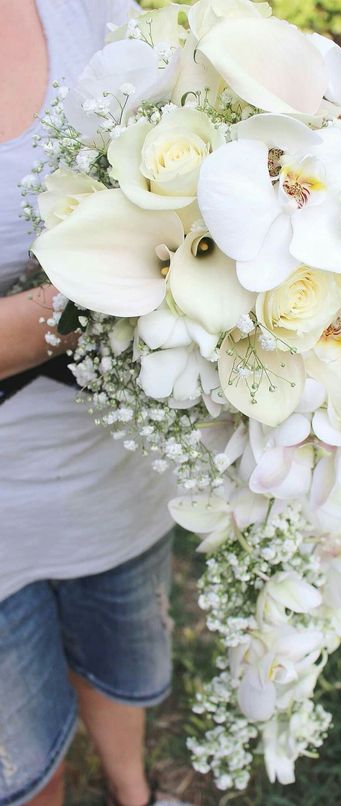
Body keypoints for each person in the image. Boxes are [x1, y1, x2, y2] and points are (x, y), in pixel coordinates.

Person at [0, 3, 181, 805]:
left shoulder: (104, 12)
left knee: (119, 668)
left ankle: (133, 795)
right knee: (26, 752)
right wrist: (100, 297)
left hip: (116, 479)